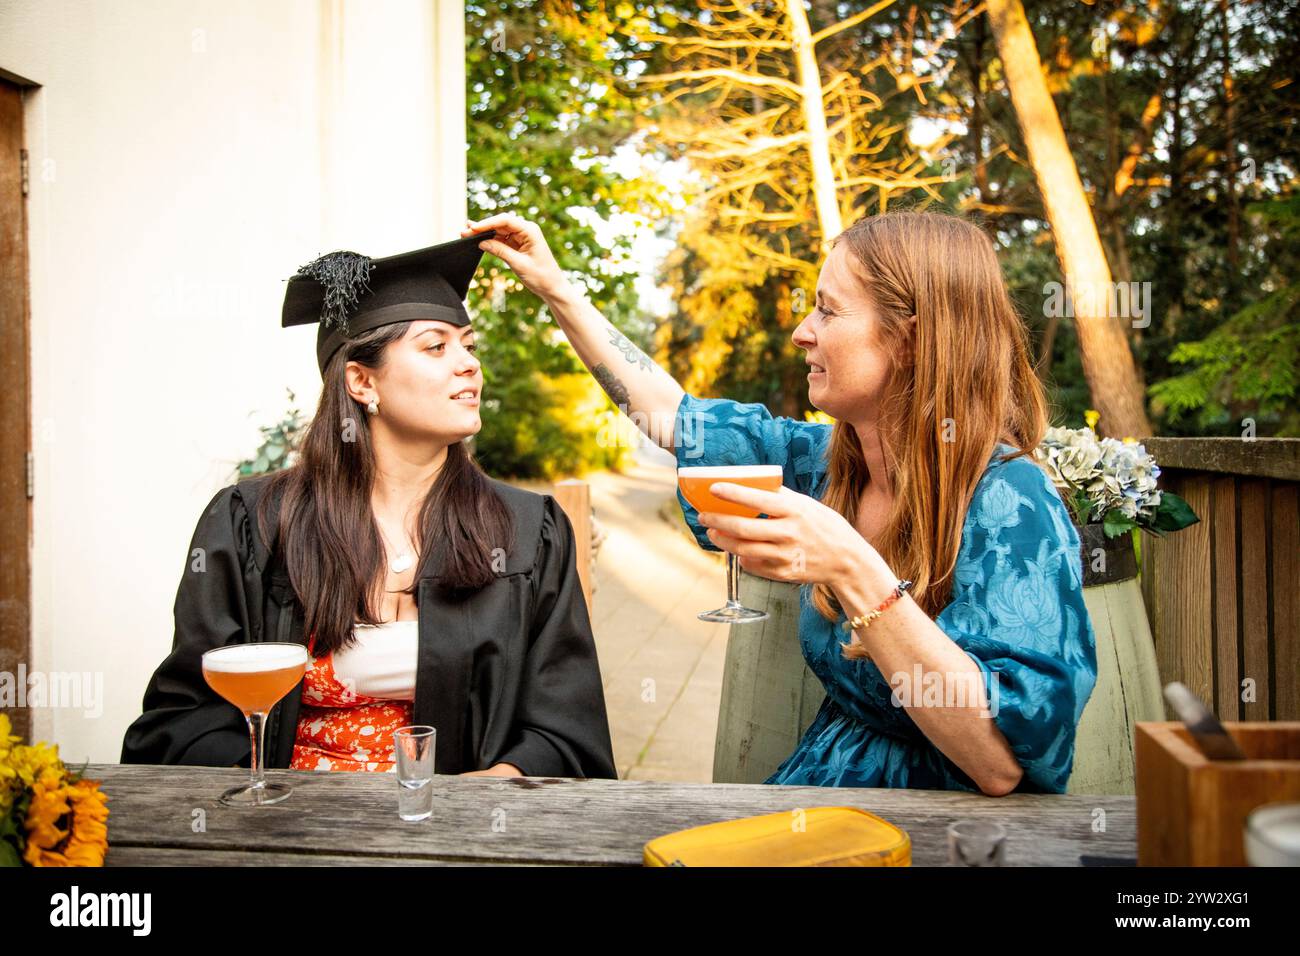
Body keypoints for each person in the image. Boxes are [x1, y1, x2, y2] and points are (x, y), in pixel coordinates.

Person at [462, 210, 1097, 795]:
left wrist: (852, 568)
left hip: (938, 828)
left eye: (827, 311)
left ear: (910, 338)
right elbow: (668, 415)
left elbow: (1000, 763)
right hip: (824, 786)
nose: (801, 332)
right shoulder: (821, 465)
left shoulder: (1012, 501)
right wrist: (555, 288)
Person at [121, 233, 617, 779]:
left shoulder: (526, 530)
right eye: (436, 346)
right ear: (361, 381)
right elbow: (188, 717)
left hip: (460, 830)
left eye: (469, 346)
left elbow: (565, 724)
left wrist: (494, 786)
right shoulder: (254, 522)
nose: (469, 365)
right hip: (294, 826)